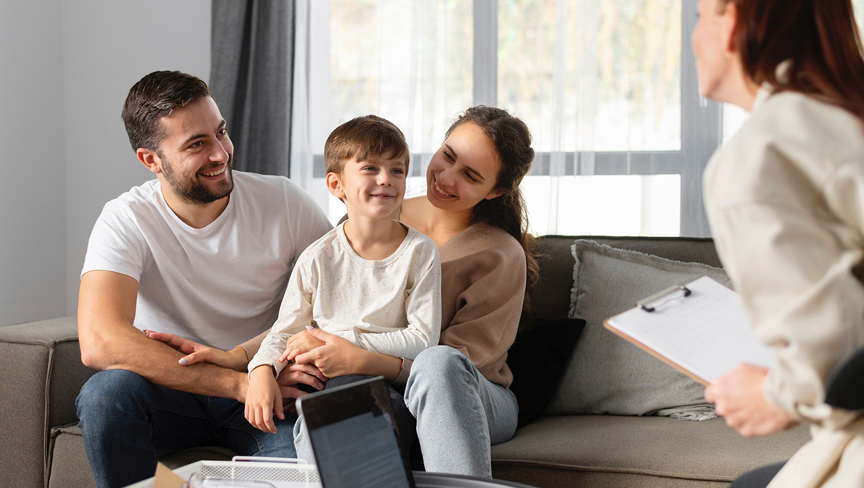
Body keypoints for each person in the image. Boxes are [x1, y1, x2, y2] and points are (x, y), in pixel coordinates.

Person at [151, 105, 537, 478]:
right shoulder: (376, 212)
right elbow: (314, 319)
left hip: (468, 392)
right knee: (331, 409)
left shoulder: (498, 255)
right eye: (447, 156)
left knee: (435, 366)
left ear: (495, 190)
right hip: (381, 385)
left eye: (470, 175)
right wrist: (243, 358)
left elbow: (445, 361)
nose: (447, 177)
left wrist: (354, 356)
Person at [75, 70, 332, 488]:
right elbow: (100, 339)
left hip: (264, 385)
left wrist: (267, 365)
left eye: (221, 133)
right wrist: (235, 383)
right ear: (150, 160)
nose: (220, 153)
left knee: (299, 467)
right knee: (106, 396)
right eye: (197, 144)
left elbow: (338, 299)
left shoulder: (284, 203)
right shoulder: (126, 219)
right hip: (172, 389)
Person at [692, 0, 864, 486]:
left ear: (734, 21)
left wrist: (772, 393)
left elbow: (838, 349)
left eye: (699, 17)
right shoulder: (845, 111)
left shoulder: (759, 155)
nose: (695, 38)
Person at [244, 115, 442, 439]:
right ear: (337, 184)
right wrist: (261, 371)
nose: (386, 179)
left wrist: (340, 342)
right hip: (327, 382)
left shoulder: (420, 252)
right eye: (370, 168)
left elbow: (423, 341)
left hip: (391, 383)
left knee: (362, 413)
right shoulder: (317, 258)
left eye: (397, 170)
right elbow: (285, 332)